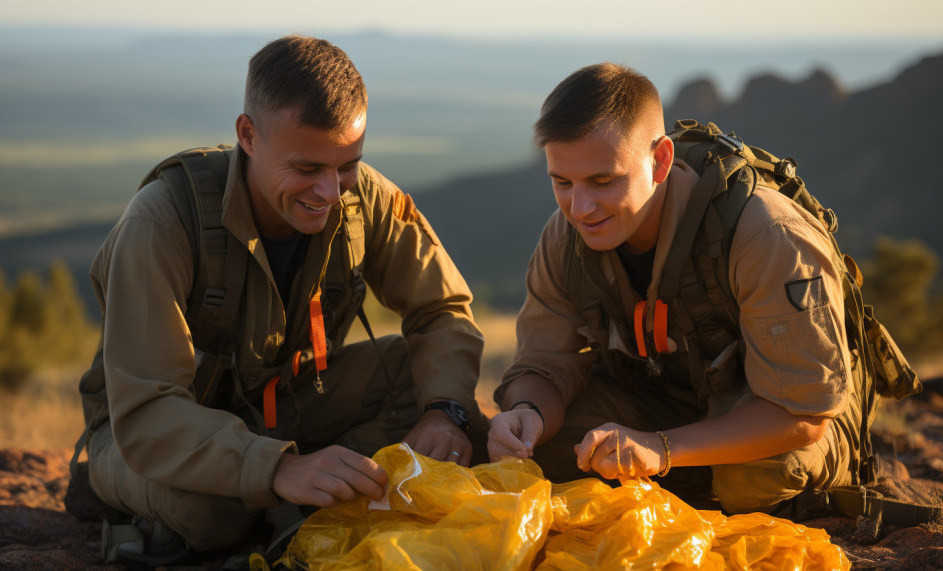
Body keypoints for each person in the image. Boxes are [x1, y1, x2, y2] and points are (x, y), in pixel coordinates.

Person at [71, 35, 486, 559]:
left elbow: (442, 310)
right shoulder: (162, 222)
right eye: (307, 168)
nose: (330, 192)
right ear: (248, 135)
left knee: (445, 405)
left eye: (347, 165)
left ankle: (308, 497)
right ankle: (143, 495)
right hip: (156, 434)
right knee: (212, 512)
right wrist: (278, 468)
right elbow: (149, 410)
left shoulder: (363, 199)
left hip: (287, 404)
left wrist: (443, 412)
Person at [487, 62, 872, 515]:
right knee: (545, 451)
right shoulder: (565, 239)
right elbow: (543, 365)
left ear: (660, 161)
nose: (580, 207)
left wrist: (661, 448)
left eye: (603, 181)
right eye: (562, 182)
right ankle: (688, 474)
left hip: (780, 412)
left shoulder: (764, 234)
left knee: (755, 476)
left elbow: (803, 413)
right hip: (665, 401)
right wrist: (527, 414)